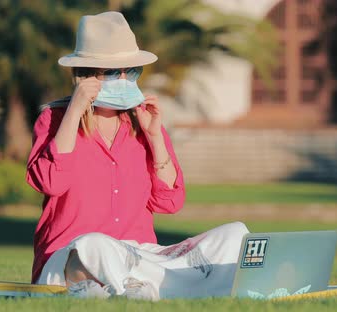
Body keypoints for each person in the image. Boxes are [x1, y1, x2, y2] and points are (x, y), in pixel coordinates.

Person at [26, 11, 249, 300]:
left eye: (131, 71)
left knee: (235, 234)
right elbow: (50, 182)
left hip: (140, 256)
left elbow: (169, 202)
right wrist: (74, 112)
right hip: (74, 255)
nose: (123, 78)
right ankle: (141, 287)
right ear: (86, 75)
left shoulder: (143, 123)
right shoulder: (54, 120)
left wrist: (155, 137)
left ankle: (133, 288)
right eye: (112, 72)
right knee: (93, 245)